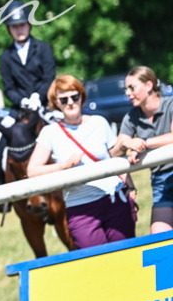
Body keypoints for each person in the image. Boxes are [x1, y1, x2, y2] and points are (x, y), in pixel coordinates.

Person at [27, 75, 136, 249]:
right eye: (64, 99)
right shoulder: (50, 132)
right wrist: (65, 165)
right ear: (56, 102)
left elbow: (115, 157)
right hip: (81, 208)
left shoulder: (99, 122)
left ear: (81, 97)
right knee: (97, 264)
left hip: (115, 200)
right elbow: (32, 170)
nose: (70, 102)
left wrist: (130, 187)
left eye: (74, 97)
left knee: (128, 257)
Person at [0, 0, 58, 191]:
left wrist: (39, 96)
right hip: (20, 110)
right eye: (14, 27)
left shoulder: (43, 48)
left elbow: (49, 77)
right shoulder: (5, 56)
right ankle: (2, 194)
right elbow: (8, 88)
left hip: (45, 105)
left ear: (28, 24)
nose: (18, 30)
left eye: (21, 25)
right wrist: (23, 101)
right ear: (9, 29)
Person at [117, 66, 173, 234]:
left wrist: (143, 144)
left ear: (149, 86)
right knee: (159, 241)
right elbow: (114, 153)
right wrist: (126, 144)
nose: (128, 93)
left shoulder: (171, 104)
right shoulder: (131, 116)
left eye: (132, 87)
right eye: (126, 88)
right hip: (160, 183)